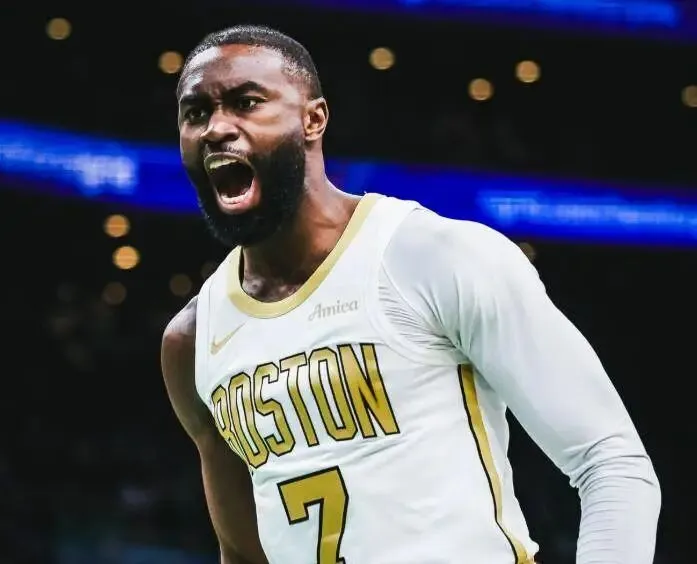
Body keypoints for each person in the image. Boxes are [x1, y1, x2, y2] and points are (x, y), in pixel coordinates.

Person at [161, 24, 661, 564]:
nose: (216, 128)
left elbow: (611, 463)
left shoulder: (434, 256)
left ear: (313, 119)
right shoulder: (192, 340)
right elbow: (241, 554)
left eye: (246, 103)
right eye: (196, 113)